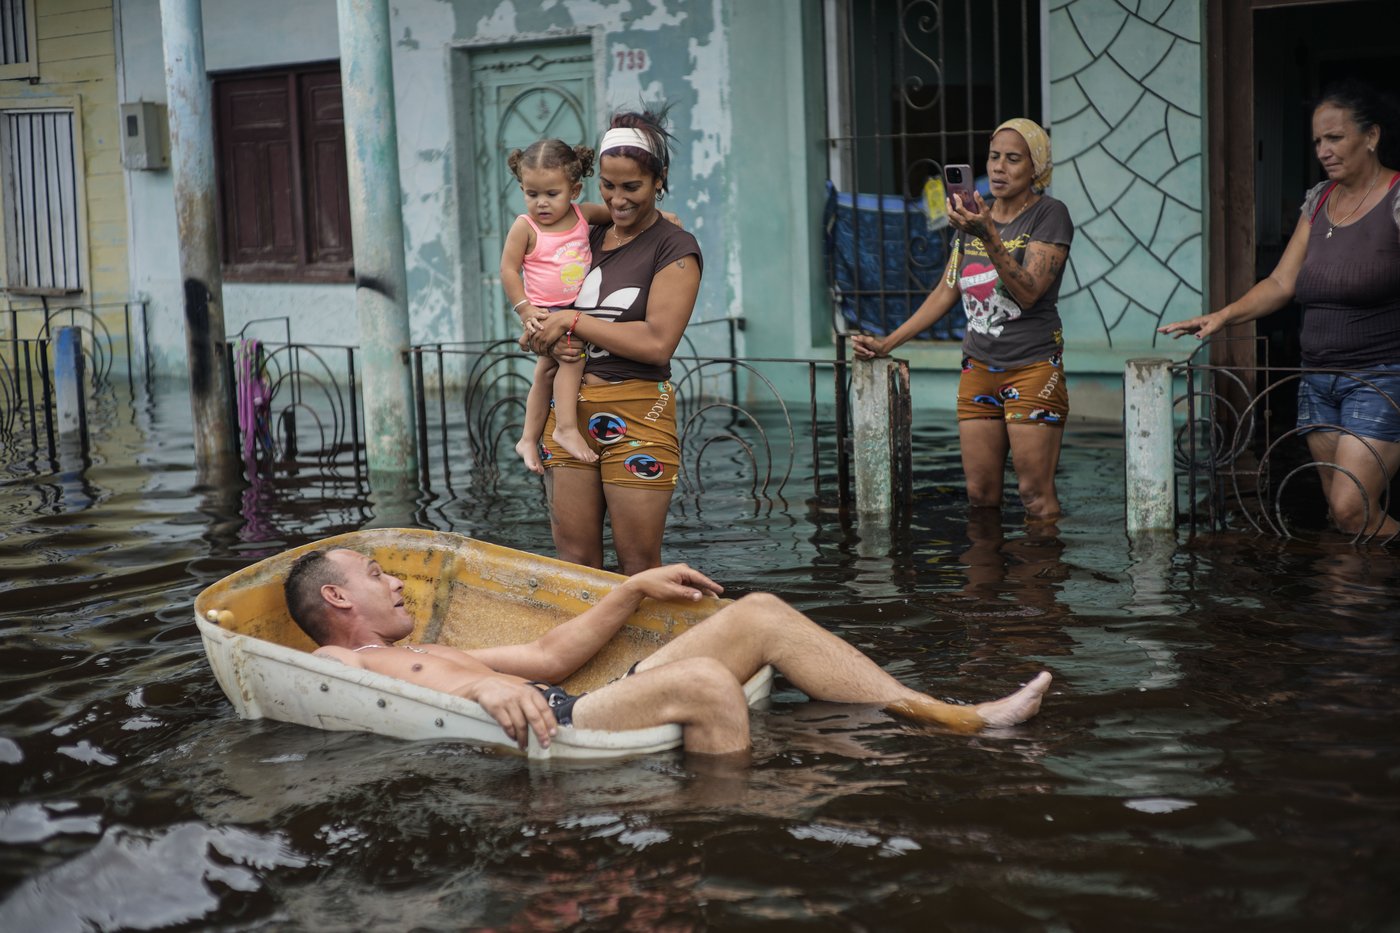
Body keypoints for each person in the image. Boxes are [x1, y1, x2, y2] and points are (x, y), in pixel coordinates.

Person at [284, 546, 1053, 755]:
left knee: (762, 614)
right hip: (567, 725)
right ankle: (730, 824)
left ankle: (948, 714)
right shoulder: (340, 663)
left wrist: (634, 587)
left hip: (571, 697)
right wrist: (483, 692)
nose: (399, 585)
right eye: (379, 575)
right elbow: (325, 685)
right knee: (710, 681)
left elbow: (553, 655)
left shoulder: (442, 646)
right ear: (340, 600)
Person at [1159, 80, 1400, 541]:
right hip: (1318, 380)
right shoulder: (1320, 201)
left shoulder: (1395, 199)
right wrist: (1222, 316)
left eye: (1335, 137)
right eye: (1317, 141)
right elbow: (1280, 282)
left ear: (1371, 136)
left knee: (1352, 510)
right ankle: (1351, 608)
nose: (1324, 150)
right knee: (1341, 516)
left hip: (1381, 379)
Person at [851, 119, 1074, 521]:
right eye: (994, 157)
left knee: (1034, 495)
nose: (999, 168)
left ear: (1036, 168)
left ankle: (1038, 582)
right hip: (978, 370)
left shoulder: (1049, 215)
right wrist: (887, 343)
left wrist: (987, 233)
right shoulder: (972, 219)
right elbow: (945, 290)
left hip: (1032, 369)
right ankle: (984, 583)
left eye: (1013, 159)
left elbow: (1028, 292)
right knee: (980, 494)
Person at [526, 106, 702, 574]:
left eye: (632, 187)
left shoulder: (674, 248)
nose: (618, 199)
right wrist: (543, 335)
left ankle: (654, 652)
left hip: (639, 412)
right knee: (575, 564)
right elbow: (547, 307)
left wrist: (572, 321)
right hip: (568, 415)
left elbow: (656, 343)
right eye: (608, 184)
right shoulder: (588, 234)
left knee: (640, 566)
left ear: (659, 179)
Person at [501, 139, 599, 472]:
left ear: (574, 190)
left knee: (545, 374)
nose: (541, 203)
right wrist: (524, 309)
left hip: (575, 309)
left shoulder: (582, 216)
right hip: (543, 312)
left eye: (551, 194)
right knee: (571, 359)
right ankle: (565, 429)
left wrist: (661, 216)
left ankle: (528, 438)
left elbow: (619, 216)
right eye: (532, 194)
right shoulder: (524, 227)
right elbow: (508, 269)